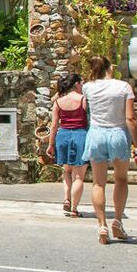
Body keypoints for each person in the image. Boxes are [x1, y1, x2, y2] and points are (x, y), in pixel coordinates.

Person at [80, 55, 137, 245]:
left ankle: (102, 225)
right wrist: (136, 144)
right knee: (121, 179)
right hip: (118, 133)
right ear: (109, 68)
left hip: (97, 134)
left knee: (98, 183)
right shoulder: (123, 87)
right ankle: (118, 220)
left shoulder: (88, 87)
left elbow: (85, 108)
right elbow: (130, 118)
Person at [51, 72, 90, 218]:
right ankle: (74, 208)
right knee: (78, 176)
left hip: (63, 136)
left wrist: (50, 144)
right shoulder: (83, 100)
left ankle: (66, 198)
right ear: (76, 84)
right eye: (82, 83)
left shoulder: (58, 102)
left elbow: (54, 125)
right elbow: (90, 120)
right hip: (81, 135)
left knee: (66, 171)